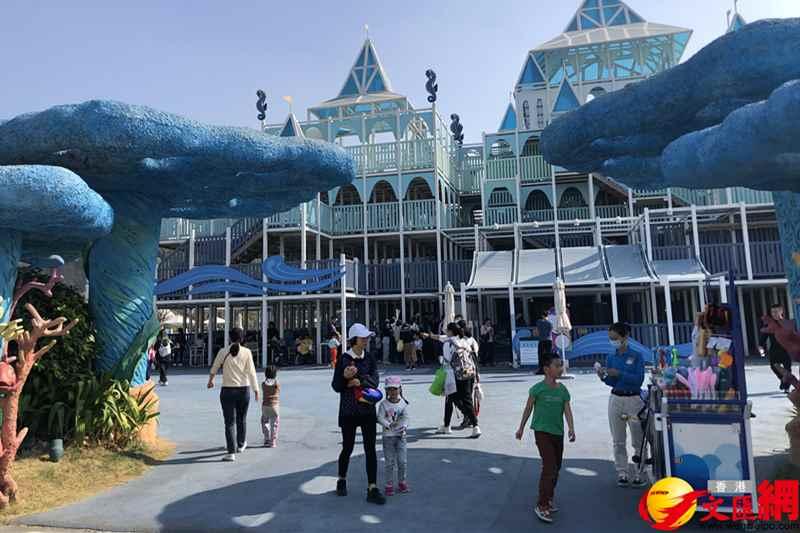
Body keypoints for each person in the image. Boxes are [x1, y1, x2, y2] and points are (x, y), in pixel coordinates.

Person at [515, 354, 575, 524]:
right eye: (557, 365)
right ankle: (542, 505)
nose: (561, 368)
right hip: (542, 432)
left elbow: (567, 410)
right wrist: (521, 428)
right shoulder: (537, 389)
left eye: (561, 365)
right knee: (549, 467)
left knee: (557, 468)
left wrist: (571, 428)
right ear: (547, 369)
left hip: (558, 433)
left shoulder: (563, 390)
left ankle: (548, 498)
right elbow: (528, 409)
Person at [331, 323, 386, 505]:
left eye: (367, 337)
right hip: (348, 411)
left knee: (370, 449)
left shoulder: (369, 358)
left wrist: (359, 380)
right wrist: (345, 378)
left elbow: (375, 381)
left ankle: (372, 487)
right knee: (347, 447)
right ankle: (341, 479)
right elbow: (336, 386)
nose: (366, 340)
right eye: (363, 338)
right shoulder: (343, 359)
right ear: (354, 340)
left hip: (367, 410)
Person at [595, 322, 646, 487]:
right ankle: (622, 472)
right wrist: (603, 376)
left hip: (634, 400)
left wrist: (620, 373)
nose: (613, 341)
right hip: (616, 399)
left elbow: (638, 380)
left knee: (638, 439)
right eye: (610, 338)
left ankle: (640, 472)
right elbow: (611, 382)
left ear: (625, 337)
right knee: (618, 440)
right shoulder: (611, 357)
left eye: (615, 338)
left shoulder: (637, 356)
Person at [208, 327, 260, 462]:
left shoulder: (223, 351)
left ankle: (231, 452)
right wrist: (256, 390)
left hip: (227, 390)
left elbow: (215, 367)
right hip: (244, 390)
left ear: (229, 338)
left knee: (229, 422)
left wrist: (211, 381)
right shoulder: (247, 352)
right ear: (242, 338)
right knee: (242, 419)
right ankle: (241, 444)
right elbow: (251, 372)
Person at [428, 323, 481, 438]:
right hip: (468, 373)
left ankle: (449, 426)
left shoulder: (448, 343)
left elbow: (446, 360)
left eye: (447, 330)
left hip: (453, 376)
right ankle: (473, 426)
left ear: (451, 331)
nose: (445, 331)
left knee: (450, 400)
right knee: (466, 399)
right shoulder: (464, 341)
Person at [378, 376, 410, 496]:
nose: (392, 391)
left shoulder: (403, 403)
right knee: (389, 462)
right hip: (388, 437)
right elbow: (379, 417)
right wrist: (388, 424)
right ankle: (389, 484)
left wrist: (404, 426)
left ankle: (402, 482)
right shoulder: (383, 404)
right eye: (389, 389)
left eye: (395, 389)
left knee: (402, 461)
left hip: (401, 437)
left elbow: (406, 418)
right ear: (386, 390)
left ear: (400, 389)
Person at [759, 304, 794, 393]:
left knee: (787, 369)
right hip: (774, 350)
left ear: (781, 311)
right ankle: (783, 379)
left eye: (776, 311)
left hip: (786, 350)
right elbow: (763, 337)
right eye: (772, 312)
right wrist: (761, 346)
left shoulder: (787, 323)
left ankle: (786, 387)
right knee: (774, 367)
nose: (774, 314)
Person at [261, 365, 280, 448]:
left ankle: (266, 439)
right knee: (274, 424)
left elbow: (265, 386)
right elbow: (278, 390)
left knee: (265, 422)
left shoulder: (263, 384)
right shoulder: (276, 384)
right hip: (274, 406)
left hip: (265, 406)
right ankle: (273, 441)